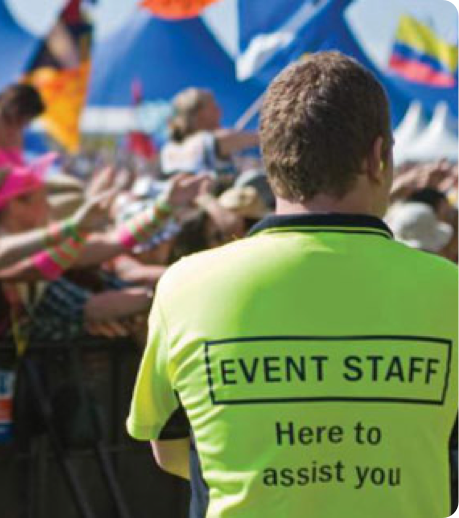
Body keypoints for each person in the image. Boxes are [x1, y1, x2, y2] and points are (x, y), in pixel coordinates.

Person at [127, 51, 459, 518]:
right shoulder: (450, 288)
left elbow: (168, 448)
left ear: (269, 160)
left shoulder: (185, 284)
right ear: (378, 157)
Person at [160, 88, 259, 177]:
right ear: (200, 115)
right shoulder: (201, 141)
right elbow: (222, 139)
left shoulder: (169, 149)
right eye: (213, 107)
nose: (219, 111)